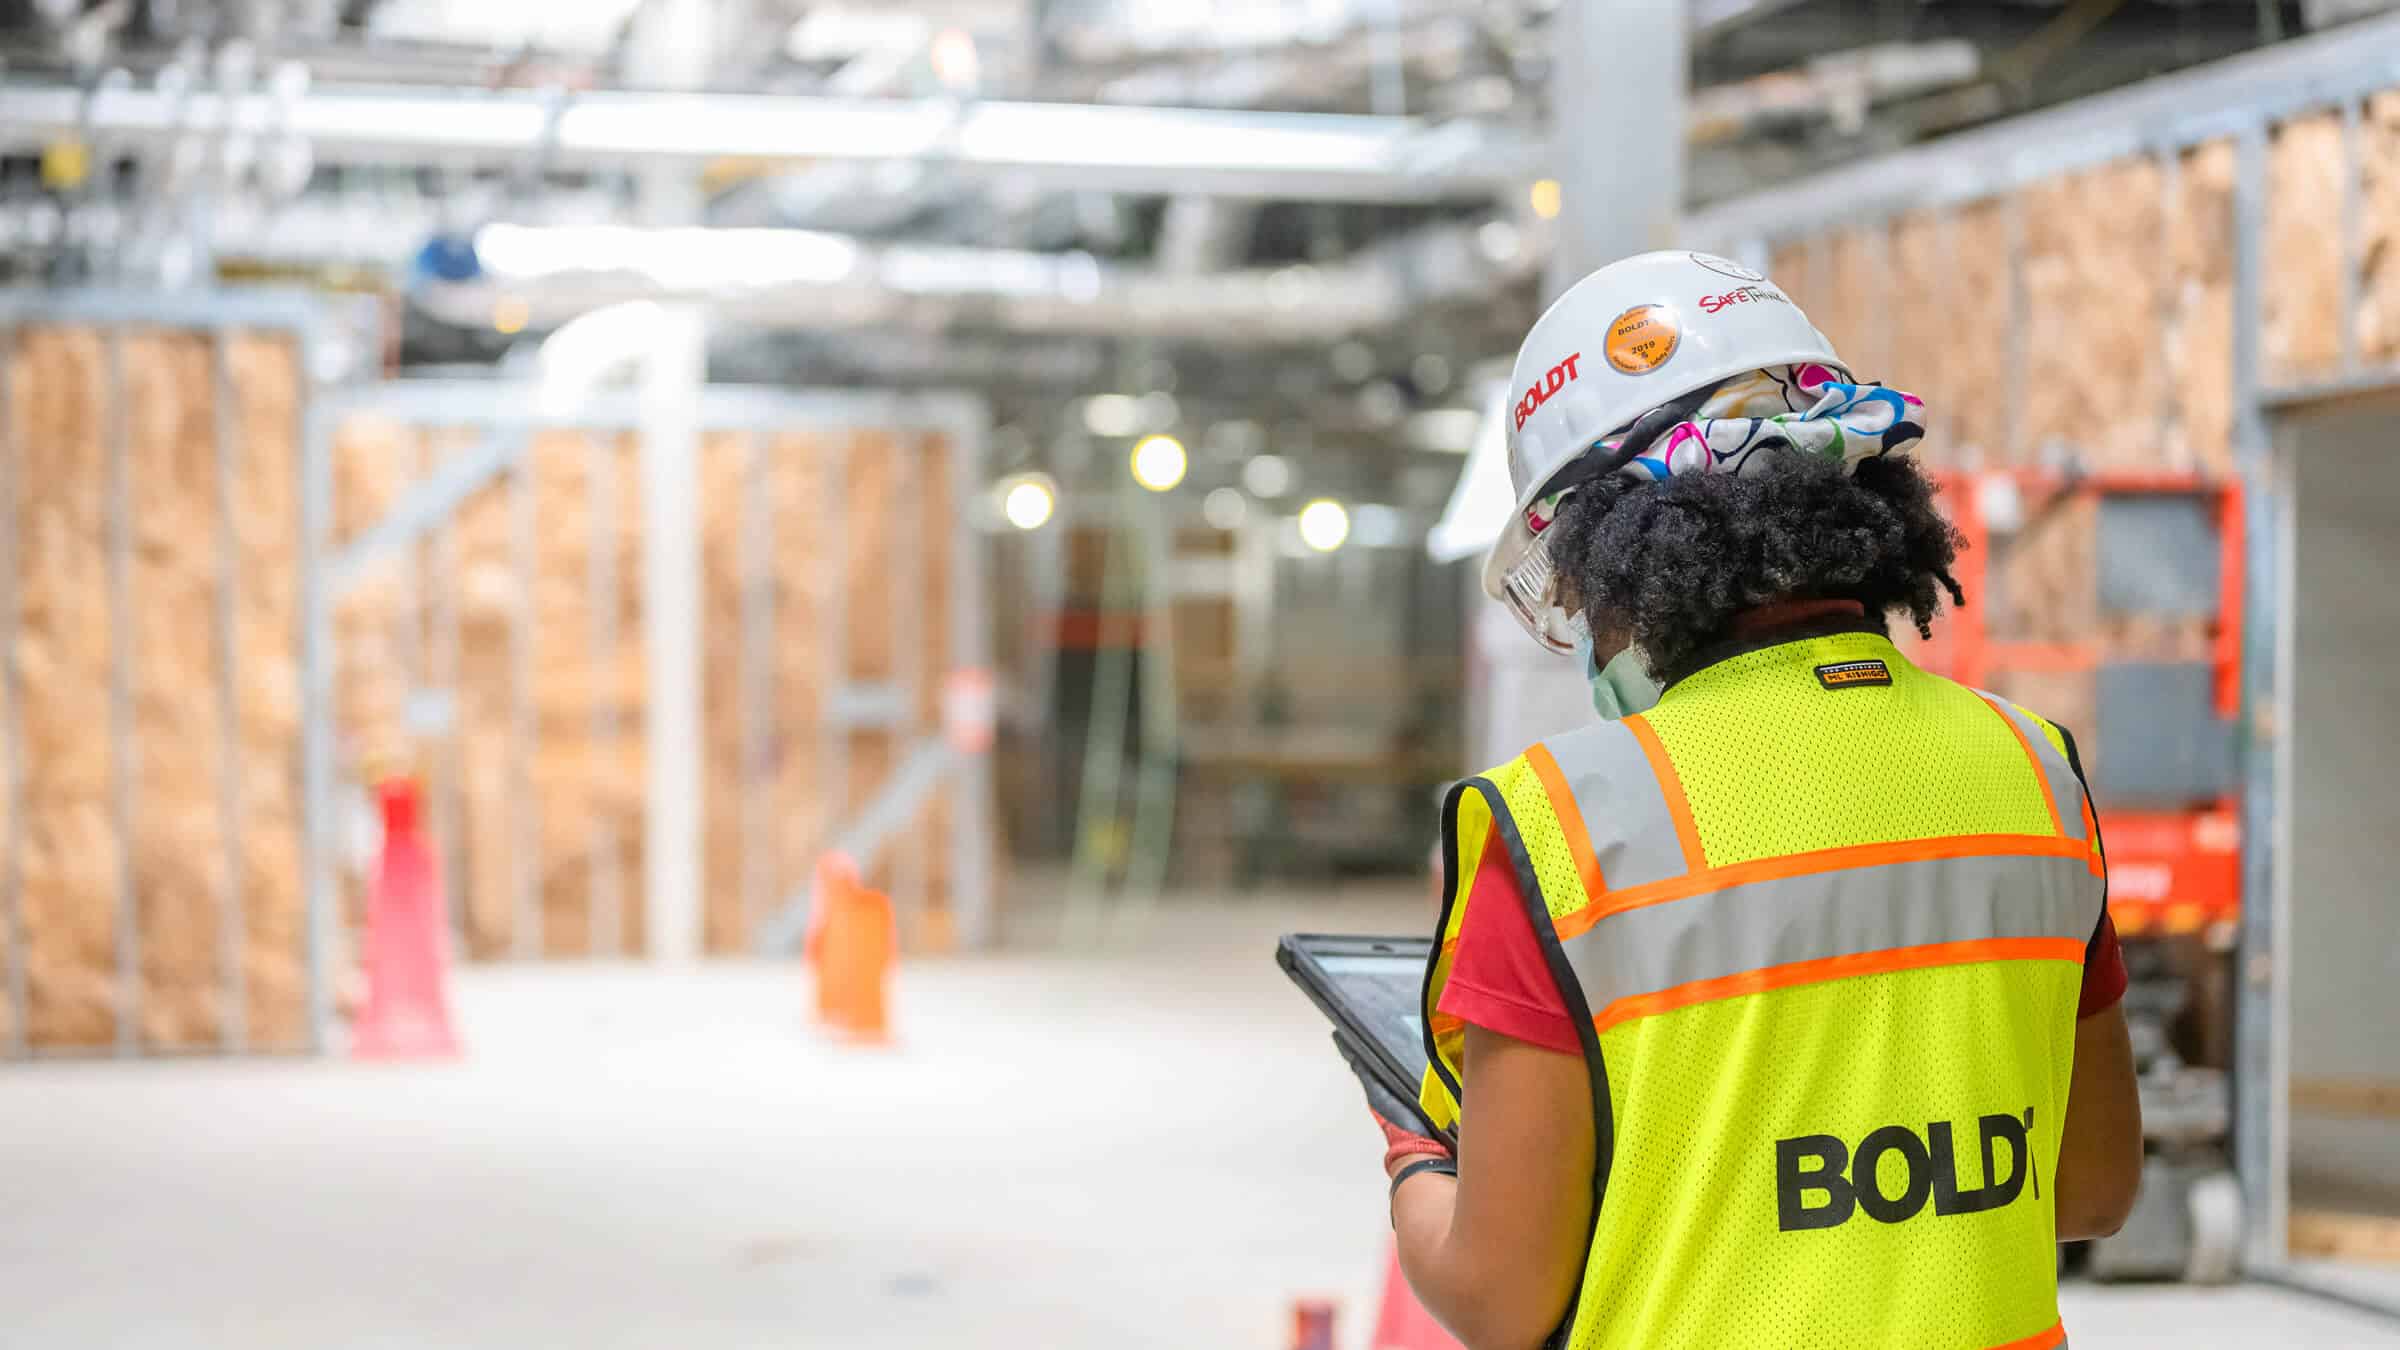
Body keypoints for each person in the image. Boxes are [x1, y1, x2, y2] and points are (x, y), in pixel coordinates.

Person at [1371, 252, 2144, 1350]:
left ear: (1612, 557)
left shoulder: (1563, 828)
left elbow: (1501, 1297)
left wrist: (1412, 1151)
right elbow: (2092, 1191)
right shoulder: (2033, 775)